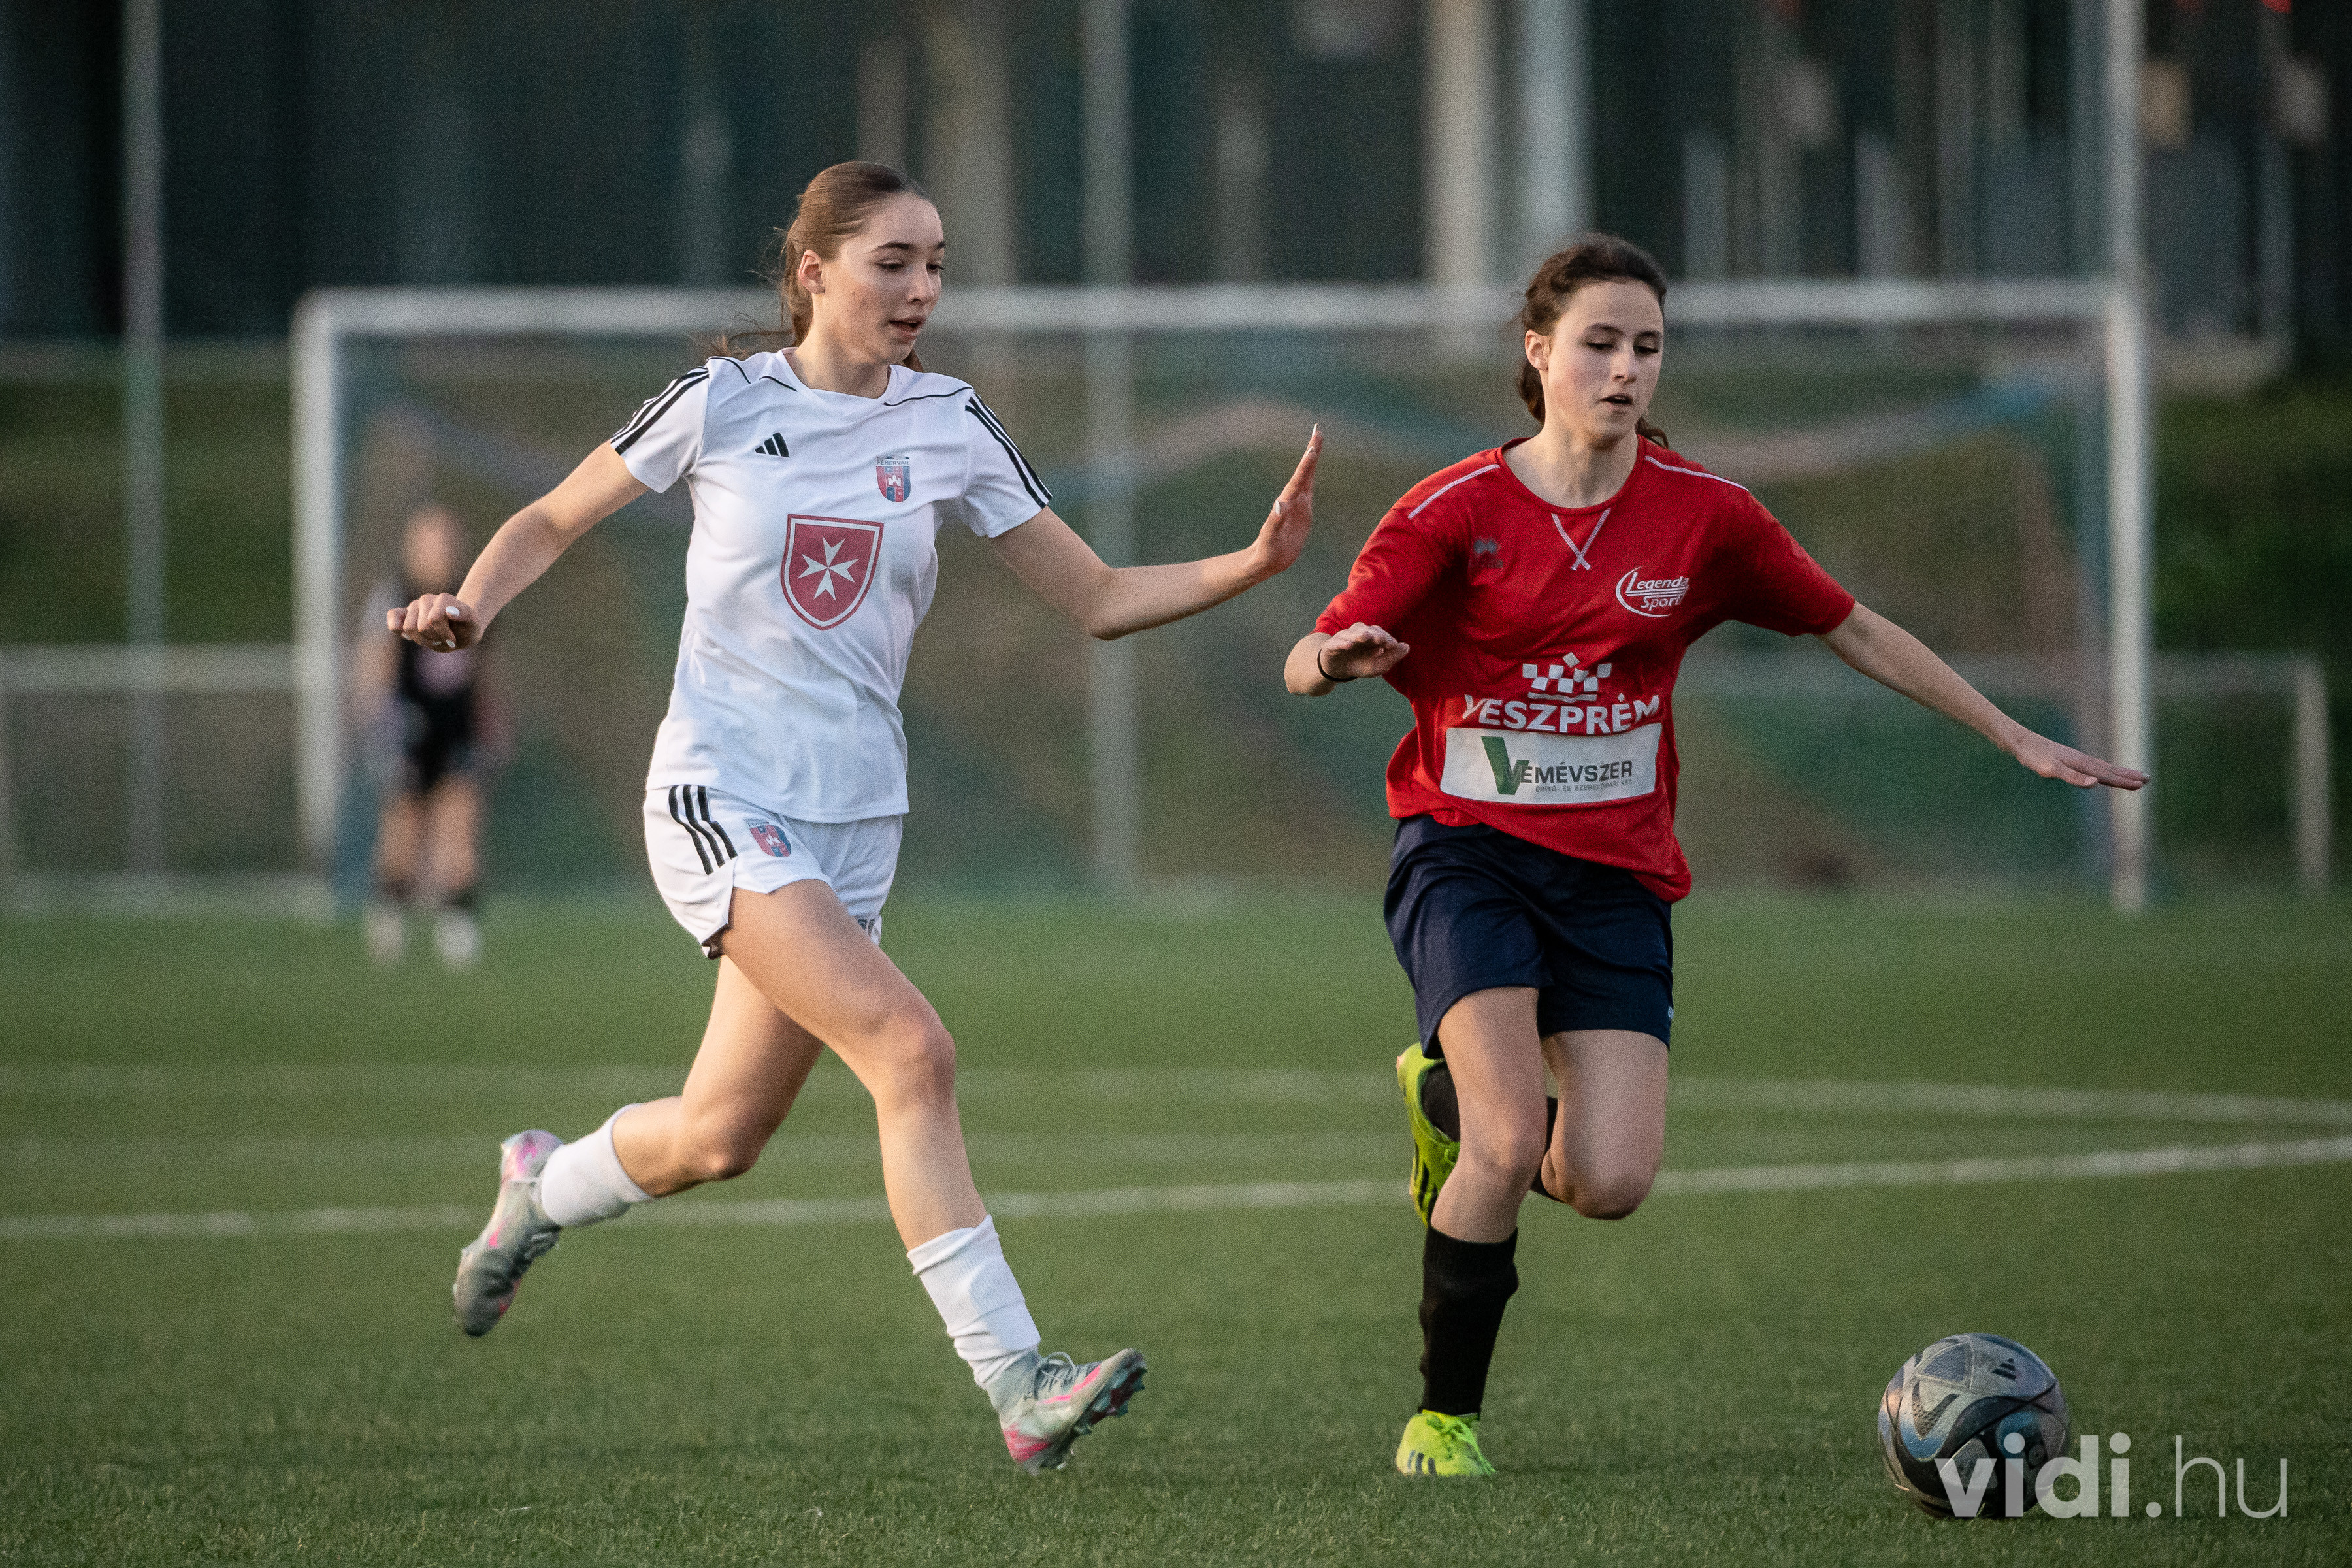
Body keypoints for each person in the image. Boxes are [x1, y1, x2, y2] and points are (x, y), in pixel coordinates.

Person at [389, 161, 1323, 1475]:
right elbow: (552, 514)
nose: (923, 288)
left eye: (937, 264)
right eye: (895, 261)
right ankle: (1020, 1382)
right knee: (912, 1050)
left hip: (855, 826)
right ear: (813, 269)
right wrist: (473, 606)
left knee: (719, 1136)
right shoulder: (723, 402)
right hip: (722, 793)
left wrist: (1254, 564)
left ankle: (539, 1188)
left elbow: (1100, 597)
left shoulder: (950, 422)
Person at [1281, 235, 2146, 1478]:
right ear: (1539, 352)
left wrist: (2012, 734)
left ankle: (1439, 1100)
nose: (1625, 369)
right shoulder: (1452, 510)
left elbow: (1855, 627)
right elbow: (1307, 654)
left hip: (1617, 877)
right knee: (1510, 1145)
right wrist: (1334, 659)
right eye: (1599, 343)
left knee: (1612, 1179)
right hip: (1466, 853)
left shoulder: (1708, 517)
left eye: (1647, 346)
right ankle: (1444, 1420)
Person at [360, 505, 498, 969]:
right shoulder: (393, 596)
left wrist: (492, 717)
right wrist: (381, 724)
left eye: (446, 541)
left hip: (457, 725)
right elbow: (376, 666)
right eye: (430, 542)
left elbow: (485, 666)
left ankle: (457, 927)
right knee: (403, 830)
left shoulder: (472, 595)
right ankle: (389, 918)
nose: (440, 551)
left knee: (461, 823)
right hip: (410, 726)